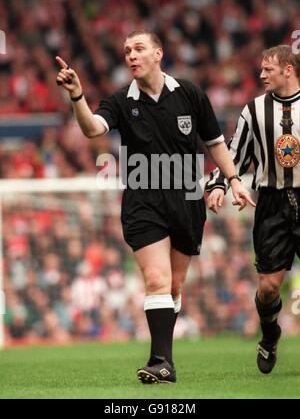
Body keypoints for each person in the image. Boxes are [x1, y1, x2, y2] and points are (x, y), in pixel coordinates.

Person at [56, 30, 254, 384]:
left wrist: (233, 179)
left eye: (138, 48)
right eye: (127, 50)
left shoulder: (190, 94)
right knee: (157, 279)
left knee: (174, 286)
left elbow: (215, 143)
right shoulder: (120, 100)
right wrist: (77, 97)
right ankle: (161, 360)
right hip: (142, 200)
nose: (131, 55)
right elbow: (93, 129)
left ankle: (165, 355)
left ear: (158, 53)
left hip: (187, 200)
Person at [206, 44, 300, 375]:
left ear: (288, 69)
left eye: (268, 69)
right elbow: (234, 152)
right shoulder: (255, 110)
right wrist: (218, 183)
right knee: (269, 287)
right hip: (272, 203)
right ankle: (271, 332)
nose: (261, 75)